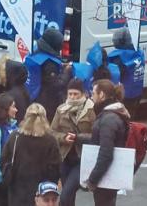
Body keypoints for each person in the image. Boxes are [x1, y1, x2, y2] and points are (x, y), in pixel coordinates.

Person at [70, 79, 129, 206]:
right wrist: (78, 137)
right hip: (108, 175)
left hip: (107, 177)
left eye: (93, 93)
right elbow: (100, 138)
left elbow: (106, 153)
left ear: (101, 95)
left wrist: (93, 179)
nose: (91, 96)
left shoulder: (108, 119)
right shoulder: (110, 114)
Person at [1, 104, 61, 206]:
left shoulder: (15, 137)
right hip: (42, 193)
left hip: (17, 191)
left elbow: (3, 161)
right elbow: (55, 169)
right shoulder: (50, 140)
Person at [51, 78, 95, 206]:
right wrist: (63, 137)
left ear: (83, 94)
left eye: (76, 94)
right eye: (70, 94)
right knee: (68, 196)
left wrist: (78, 137)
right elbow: (52, 132)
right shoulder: (61, 109)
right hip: (65, 158)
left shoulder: (90, 110)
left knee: (66, 194)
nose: (73, 97)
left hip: (82, 158)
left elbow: (96, 134)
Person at [25, 28, 70, 117]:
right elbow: (56, 85)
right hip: (46, 103)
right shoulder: (49, 64)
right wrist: (66, 72)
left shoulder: (36, 53)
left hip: (32, 96)